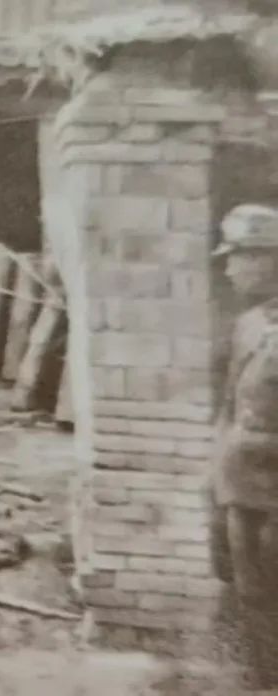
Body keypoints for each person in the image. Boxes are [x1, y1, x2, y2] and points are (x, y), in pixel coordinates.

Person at [210, 203, 278, 686]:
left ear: (266, 258)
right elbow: (230, 402)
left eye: (237, 258)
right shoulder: (249, 324)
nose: (229, 270)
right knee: (250, 592)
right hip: (241, 485)